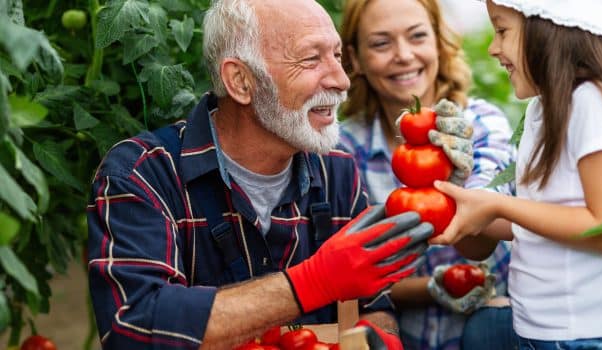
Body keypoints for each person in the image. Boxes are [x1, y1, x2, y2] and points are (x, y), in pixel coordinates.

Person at [85, 0, 435, 349]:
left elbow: (374, 304)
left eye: (338, 56)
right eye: (311, 59)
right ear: (240, 81)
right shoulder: (144, 174)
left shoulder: (337, 171)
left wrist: (382, 338)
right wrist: (314, 281)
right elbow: (134, 328)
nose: (341, 81)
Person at [431, 0, 602, 348]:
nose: (492, 48)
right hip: (548, 330)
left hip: (589, 336)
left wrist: (501, 206)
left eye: (502, 30)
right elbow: (545, 220)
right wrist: (470, 208)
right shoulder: (546, 107)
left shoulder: (595, 104)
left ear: (553, 27)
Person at [337, 0, 517, 349]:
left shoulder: (481, 126)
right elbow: (346, 279)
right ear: (355, 59)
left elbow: (480, 244)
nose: (403, 55)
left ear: (439, 42)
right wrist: (433, 288)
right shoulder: (345, 149)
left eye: (417, 36)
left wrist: (457, 179)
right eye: (380, 43)